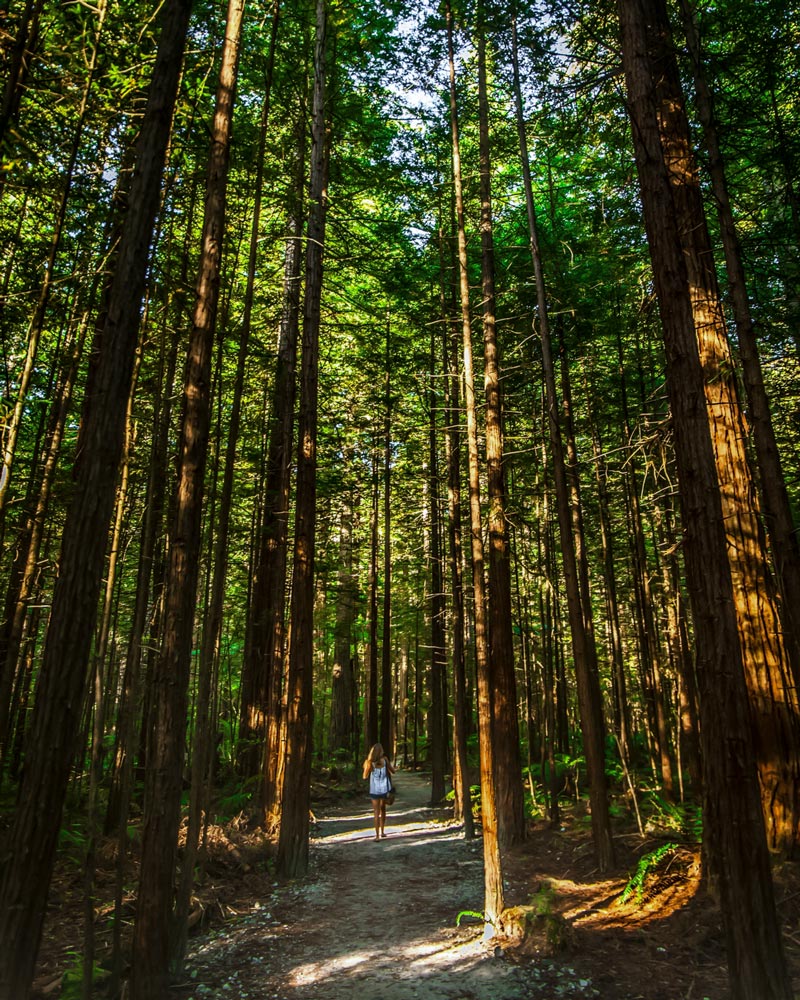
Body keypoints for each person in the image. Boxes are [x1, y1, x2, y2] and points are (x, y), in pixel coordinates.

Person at [362, 742, 395, 841]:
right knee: (383, 809)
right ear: (381, 751)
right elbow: (393, 771)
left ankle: (376, 836)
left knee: (376, 812)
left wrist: (366, 768)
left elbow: (364, 776)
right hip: (384, 789)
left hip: (374, 790)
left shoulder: (369, 762)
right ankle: (383, 832)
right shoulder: (385, 760)